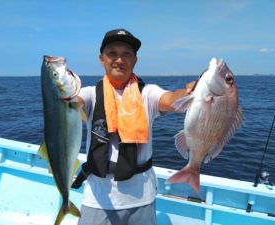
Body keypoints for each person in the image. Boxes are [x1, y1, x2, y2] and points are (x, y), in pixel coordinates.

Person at [71, 28, 195, 225]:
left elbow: (172, 100)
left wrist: (191, 92)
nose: (119, 59)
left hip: (141, 198)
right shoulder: (90, 95)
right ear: (101, 59)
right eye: (112, 53)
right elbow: (72, 103)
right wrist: (63, 97)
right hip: (97, 199)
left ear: (135, 60)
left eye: (126, 54)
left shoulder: (148, 94)